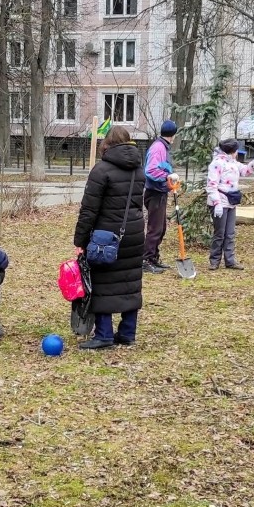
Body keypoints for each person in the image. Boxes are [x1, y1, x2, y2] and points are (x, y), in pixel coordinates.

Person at [73, 125, 146, 349]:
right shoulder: (138, 169)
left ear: (107, 143)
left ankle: (104, 335)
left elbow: (89, 210)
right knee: (130, 281)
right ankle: (127, 333)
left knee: (102, 282)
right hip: (134, 233)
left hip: (106, 237)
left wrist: (80, 241)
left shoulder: (101, 170)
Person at [206, 139, 254, 271]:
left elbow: (245, 171)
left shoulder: (233, 163)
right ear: (232, 151)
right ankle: (214, 261)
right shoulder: (217, 163)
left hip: (231, 202)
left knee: (230, 233)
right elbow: (211, 185)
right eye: (236, 150)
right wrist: (217, 203)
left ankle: (230, 260)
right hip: (219, 203)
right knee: (219, 233)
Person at [142, 119, 181, 274]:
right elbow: (150, 170)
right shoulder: (158, 148)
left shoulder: (162, 146)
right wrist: (168, 177)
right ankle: (146, 260)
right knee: (155, 228)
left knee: (161, 228)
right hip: (155, 193)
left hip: (160, 192)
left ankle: (154, 258)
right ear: (173, 135)